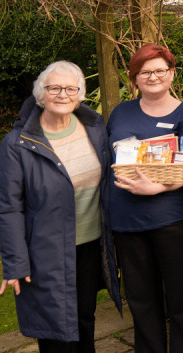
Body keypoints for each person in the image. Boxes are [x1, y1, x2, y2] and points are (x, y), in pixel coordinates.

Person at [0, 61, 122, 352]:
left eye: (70, 88)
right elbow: (8, 207)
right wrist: (15, 263)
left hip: (90, 246)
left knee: (84, 319)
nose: (62, 94)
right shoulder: (17, 144)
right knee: (54, 329)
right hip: (46, 251)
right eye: (54, 87)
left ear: (80, 94)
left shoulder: (94, 128)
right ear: (40, 94)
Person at [105, 44, 183, 353]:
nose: (153, 77)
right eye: (144, 72)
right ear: (134, 78)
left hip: (173, 222)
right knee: (141, 300)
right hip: (127, 222)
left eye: (160, 70)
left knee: (181, 299)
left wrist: (157, 189)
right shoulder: (121, 111)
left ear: (172, 74)